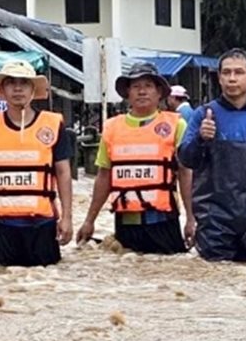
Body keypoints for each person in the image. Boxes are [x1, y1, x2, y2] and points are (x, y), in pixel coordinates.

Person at [179, 48, 246, 262]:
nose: (232, 79)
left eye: (238, 72)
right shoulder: (203, 115)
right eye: (226, 73)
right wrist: (201, 138)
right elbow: (186, 160)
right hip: (214, 226)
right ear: (218, 78)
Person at [76, 62, 195, 254]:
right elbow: (103, 177)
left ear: (159, 93)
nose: (142, 92)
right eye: (136, 87)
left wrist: (191, 218)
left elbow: (185, 174)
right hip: (125, 222)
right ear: (128, 94)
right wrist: (89, 221)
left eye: (148, 86)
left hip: (163, 221)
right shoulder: (112, 128)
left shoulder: (176, 125)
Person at [0, 61, 73, 266]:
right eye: (11, 83)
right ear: (3, 89)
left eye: (24, 83)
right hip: (1, 227)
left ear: (33, 89)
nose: (18, 89)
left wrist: (67, 218)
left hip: (43, 225)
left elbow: (63, 173)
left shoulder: (53, 125)